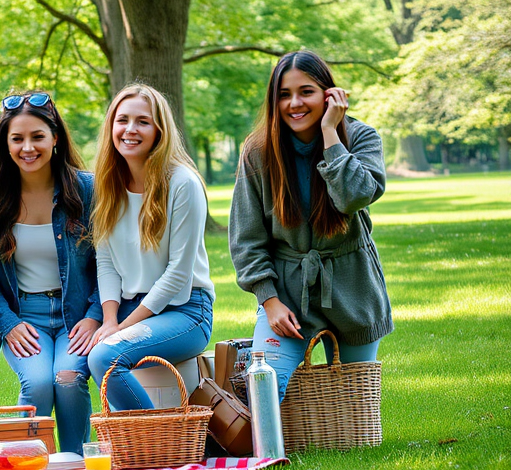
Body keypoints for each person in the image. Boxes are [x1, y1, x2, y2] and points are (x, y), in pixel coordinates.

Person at [229, 50, 392, 401]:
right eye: (284, 95)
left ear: (329, 95)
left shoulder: (362, 138)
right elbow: (246, 238)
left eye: (306, 91)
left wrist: (330, 133)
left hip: (353, 285)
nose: (294, 103)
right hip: (288, 291)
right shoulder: (258, 152)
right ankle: (269, 454)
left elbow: (354, 196)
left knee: (356, 403)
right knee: (264, 386)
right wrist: (268, 300)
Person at [0, 92, 102, 455]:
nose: (27, 147)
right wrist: (7, 323)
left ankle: (76, 462)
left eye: (37, 137)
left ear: (55, 138)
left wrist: (95, 317)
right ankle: (29, 466)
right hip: (22, 316)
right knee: (37, 383)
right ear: (5, 143)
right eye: (17, 138)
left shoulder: (87, 190)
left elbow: (107, 263)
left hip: (76, 314)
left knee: (67, 378)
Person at [81, 83, 215, 411]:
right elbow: (107, 261)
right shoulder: (107, 184)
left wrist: (121, 329)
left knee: (105, 357)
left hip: (185, 311)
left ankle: (159, 440)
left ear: (159, 130)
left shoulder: (183, 183)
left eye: (142, 121)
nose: (130, 129)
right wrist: (109, 319)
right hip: (130, 309)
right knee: (72, 364)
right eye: (122, 120)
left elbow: (178, 274)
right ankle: (92, 447)